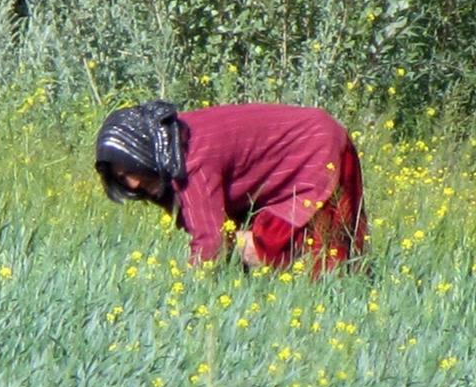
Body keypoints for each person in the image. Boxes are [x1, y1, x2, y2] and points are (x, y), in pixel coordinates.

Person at [94, 101, 367, 272]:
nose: (132, 183)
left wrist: (190, 293)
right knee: (249, 248)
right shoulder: (171, 144)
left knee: (315, 257)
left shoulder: (192, 160)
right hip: (304, 146)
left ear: (146, 152)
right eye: (121, 178)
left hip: (318, 147)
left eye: (132, 171)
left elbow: (211, 242)